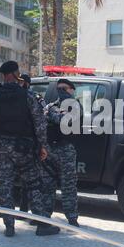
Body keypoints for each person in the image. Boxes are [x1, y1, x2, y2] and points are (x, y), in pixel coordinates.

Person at [0, 61, 56, 237]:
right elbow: (39, 123)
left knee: (5, 187)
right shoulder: (28, 95)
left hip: (1, 149)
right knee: (34, 185)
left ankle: (9, 227)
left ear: (3, 76)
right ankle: (42, 225)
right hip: (24, 149)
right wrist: (43, 146)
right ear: (16, 74)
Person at [40, 78, 80, 228]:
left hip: (62, 150)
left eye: (64, 89)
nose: (63, 92)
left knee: (66, 186)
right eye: (61, 89)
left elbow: (64, 120)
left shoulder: (74, 106)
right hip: (55, 151)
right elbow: (44, 121)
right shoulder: (52, 106)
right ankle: (46, 218)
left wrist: (52, 114)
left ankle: (70, 218)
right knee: (49, 185)